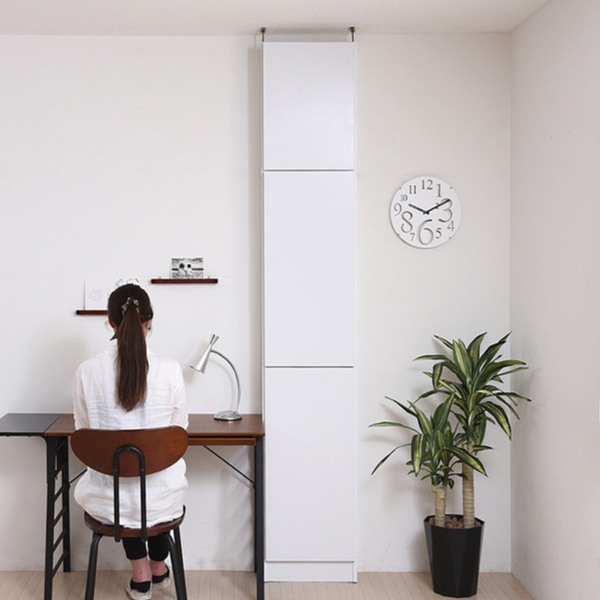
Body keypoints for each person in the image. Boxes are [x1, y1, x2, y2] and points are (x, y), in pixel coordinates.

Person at [73, 283, 188, 600]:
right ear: (150, 320)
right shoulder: (171, 370)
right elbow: (179, 433)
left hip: (108, 500)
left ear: (110, 321)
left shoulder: (86, 371)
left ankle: (142, 577)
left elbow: (84, 433)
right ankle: (158, 568)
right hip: (162, 498)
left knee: (126, 492)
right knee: (153, 495)